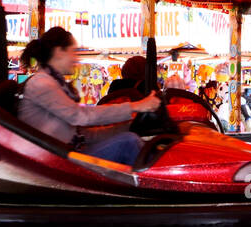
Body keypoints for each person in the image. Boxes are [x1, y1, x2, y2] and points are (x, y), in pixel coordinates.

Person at [19, 27, 159, 166]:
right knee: (128, 142)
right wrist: (136, 106)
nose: (76, 58)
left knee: (132, 138)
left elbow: (85, 135)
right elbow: (82, 116)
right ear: (59, 52)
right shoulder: (42, 84)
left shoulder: (55, 83)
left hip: (67, 153)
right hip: (54, 162)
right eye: (73, 51)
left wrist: (128, 127)